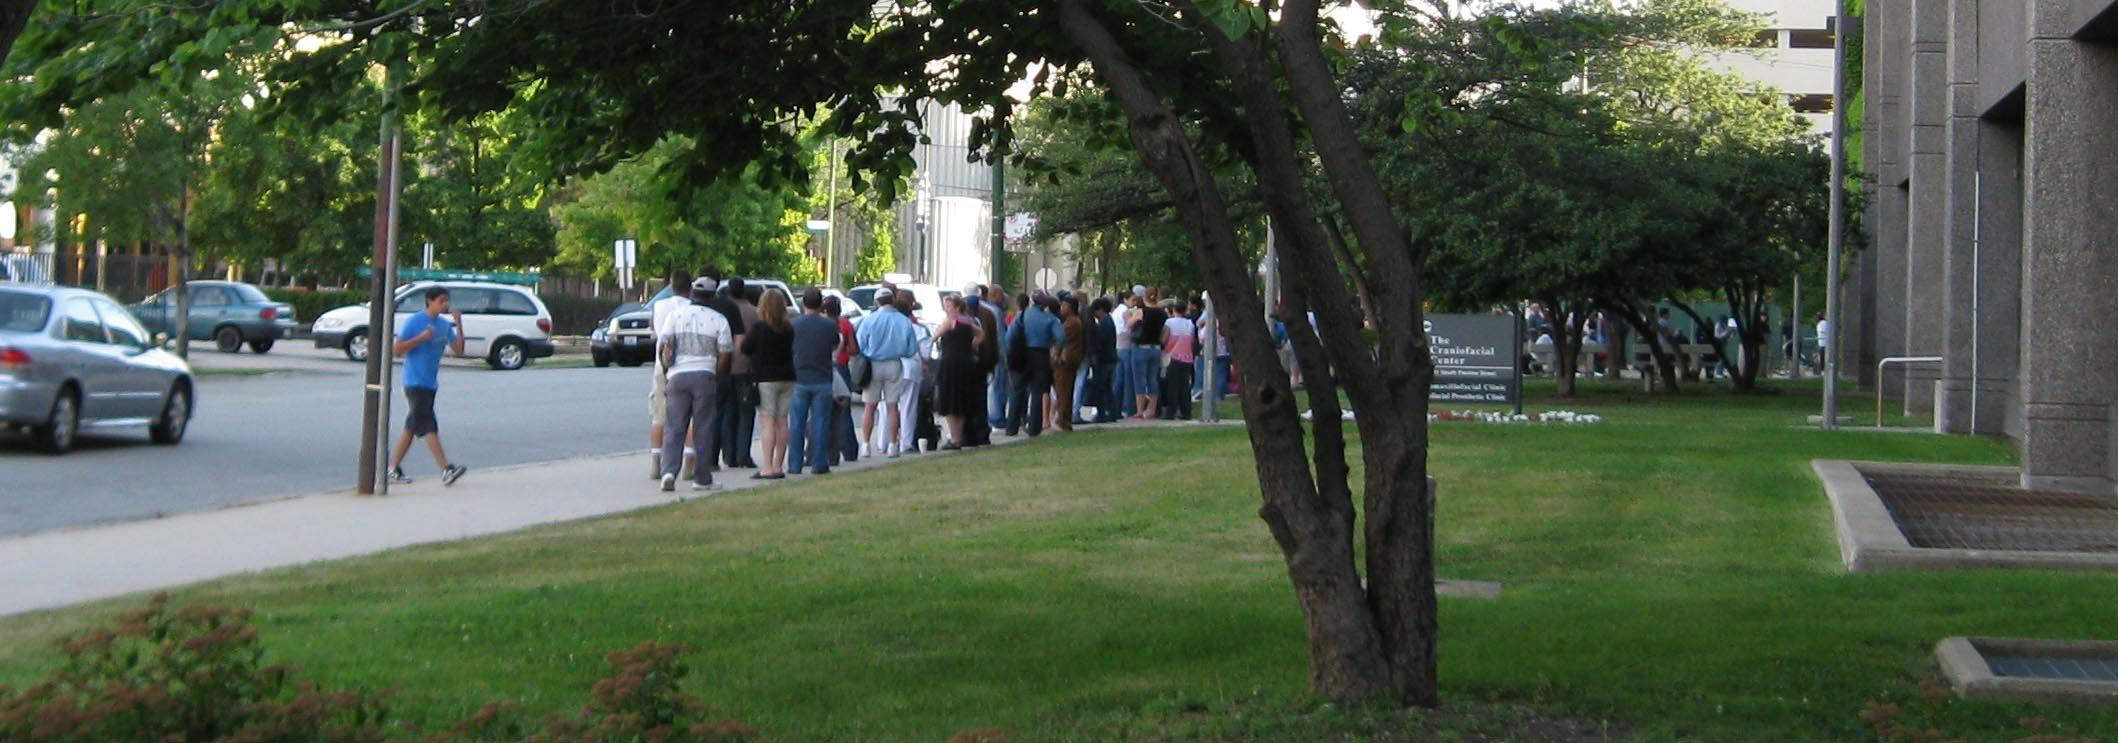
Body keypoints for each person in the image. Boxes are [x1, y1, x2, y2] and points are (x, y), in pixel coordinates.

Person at [386, 286, 469, 486]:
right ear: (429, 301)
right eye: (441, 300)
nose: (445, 305)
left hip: (430, 383)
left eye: (446, 301)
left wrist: (458, 324)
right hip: (414, 381)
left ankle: (392, 468)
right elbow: (396, 350)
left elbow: (459, 350)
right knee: (428, 424)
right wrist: (421, 338)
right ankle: (445, 469)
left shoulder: (443, 325)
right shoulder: (415, 322)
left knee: (412, 426)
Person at [658, 276, 734, 492]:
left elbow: (664, 346)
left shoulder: (675, 316)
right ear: (713, 296)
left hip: (677, 375)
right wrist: (715, 374)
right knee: (703, 429)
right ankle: (701, 476)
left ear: (693, 293)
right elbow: (725, 353)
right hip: (704, 375)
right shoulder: (718, 320)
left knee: (674, 427)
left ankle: (669, 471)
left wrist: (667, 372)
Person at [856, 287, 920, 458]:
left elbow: (860, 344)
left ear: (877, 302)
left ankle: (866, 444)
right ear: (892, 300)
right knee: (893, 406)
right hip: (894, 364)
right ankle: (893, 444)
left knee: (870, 406)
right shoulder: (904, 321)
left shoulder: (869, 320)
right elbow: (912, 348)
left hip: (873, 364)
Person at [741, 290, 797, 480]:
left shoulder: (759, 328)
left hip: (765, 378)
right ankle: (778, 465)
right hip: (787, 376)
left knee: (768, 422)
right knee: (782, 421)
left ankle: (767, 466)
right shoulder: (788, 329)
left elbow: (745, 348)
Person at [787, 289, 839, 475]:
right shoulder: (829, 325)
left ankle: (794, 463)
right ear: (820, 305)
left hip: (800, 377)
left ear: (803, 303)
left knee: (797, 424)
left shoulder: (794, 325)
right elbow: (835, 345)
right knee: (820, 423)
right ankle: (819, 463)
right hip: (822, 377)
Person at [647, 268, 692, 479]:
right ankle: (690, 459)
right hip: (686, 366)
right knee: (689, 417)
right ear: (689, 288)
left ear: (672, 286)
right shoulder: (694, 308)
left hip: (661, 366)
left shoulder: (659, 306)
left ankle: (656, 460)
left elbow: (655, 333)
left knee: (659, 416)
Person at [717, 279, 762, 469]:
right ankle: (744, 454)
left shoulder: (721, 310)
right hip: (746, 367)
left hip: (724, 366)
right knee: (746, 412)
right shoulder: (754, 312)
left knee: (728, 412)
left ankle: (729, 455)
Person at [1004, 292, 1063, 436]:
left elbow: (1010, 337)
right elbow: (1061, 337)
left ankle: (1011, 427)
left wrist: (1011, 353)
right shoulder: (1051, 319)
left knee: (1017, 390)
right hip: (1041, 356)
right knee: (1038, 391)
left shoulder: (1022, 316)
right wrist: (1053, 347)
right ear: (1045, 304)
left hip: (1022, 355)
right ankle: (1034, 428)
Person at [932, 295, 985, 449]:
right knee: (961, 400)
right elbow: (981, 334)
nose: (946, 309)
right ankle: (959, 436)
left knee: (948, 399)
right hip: (966, 362)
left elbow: (935, 337)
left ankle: (954, 438)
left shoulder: (950, 321)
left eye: (948, 306)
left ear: (956, 307)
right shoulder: (968, 321)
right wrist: (971, 345)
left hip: (950, 362)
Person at [894, 289, 933, 455]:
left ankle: (885, 441)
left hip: (889, 367)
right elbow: (925, 352)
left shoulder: (889, 326)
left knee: (887, 407)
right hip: (910, 368)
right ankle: (906, 442)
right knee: (908, 406)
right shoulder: (917, 328)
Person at [824, 297, 861, 465]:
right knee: (843, 411)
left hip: (824, 368)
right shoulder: (845, 324)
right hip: (841, 366)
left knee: (822, 411)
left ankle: (824, 449)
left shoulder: (822, 324)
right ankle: (849, 449)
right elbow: (854, 350)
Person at [966, 288, 1002, 446]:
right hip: (982, 361)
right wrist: (992, 362)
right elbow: (994, 341)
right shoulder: (988, 314)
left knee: (973, 399)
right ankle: (980, 432)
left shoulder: (966, 317)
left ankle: (973, 433)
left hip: (974, 362)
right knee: (980, 398)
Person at [1129, 291, 1167, 419]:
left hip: (1141, 346)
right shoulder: (1163, 313)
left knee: (1139, 379)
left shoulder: (1142, 312)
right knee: (1152, 379)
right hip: (1155, 347)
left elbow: (1129, 324)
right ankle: (1151, 409)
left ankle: (1140, 410)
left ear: (1145, 298)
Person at [1052, 296, 1085, 432]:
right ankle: (1064, 419)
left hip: (1065, 361)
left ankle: (1063, 420)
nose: (1062, 308)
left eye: (1064, 306)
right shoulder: (1073, 322)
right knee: (1064, 390)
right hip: (1069, 360)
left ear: (1071, 307)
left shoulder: (1071, 323)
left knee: (1063, 391)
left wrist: (1055, 354)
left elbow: (1059, 338)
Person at [1159, 298, 1197, 420]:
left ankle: (1171, 412)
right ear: (1185, 310)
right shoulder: (1190, 324)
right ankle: (1186, 411)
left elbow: (1164, 339)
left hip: (1172, 356)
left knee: (1172, 386)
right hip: (1186, 357)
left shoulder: (1169, 323)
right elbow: (1191, 341)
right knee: (1185, 385)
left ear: (1173, 310)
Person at [983, 284, 1011, 435]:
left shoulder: (982, 309)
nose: (1003, 299)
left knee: (989, 387)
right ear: (994, 295)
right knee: (996, 386)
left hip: (983, 353)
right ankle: (996, 417)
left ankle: (990, 416)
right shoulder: (996, 312)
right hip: (996, 355)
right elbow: (1000, 337)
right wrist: (1005, 357)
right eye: (1001, 295)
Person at [1087, 297, 1120, 423]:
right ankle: (1112, 412)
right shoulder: (1109, 321)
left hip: (1104, 360)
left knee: (1100, 387)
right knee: (1107, 388)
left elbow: (1100, 342)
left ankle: (1101, 414)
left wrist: (1095, 354)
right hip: (1111, 358)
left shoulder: (1103, 324)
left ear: (1101, 310)